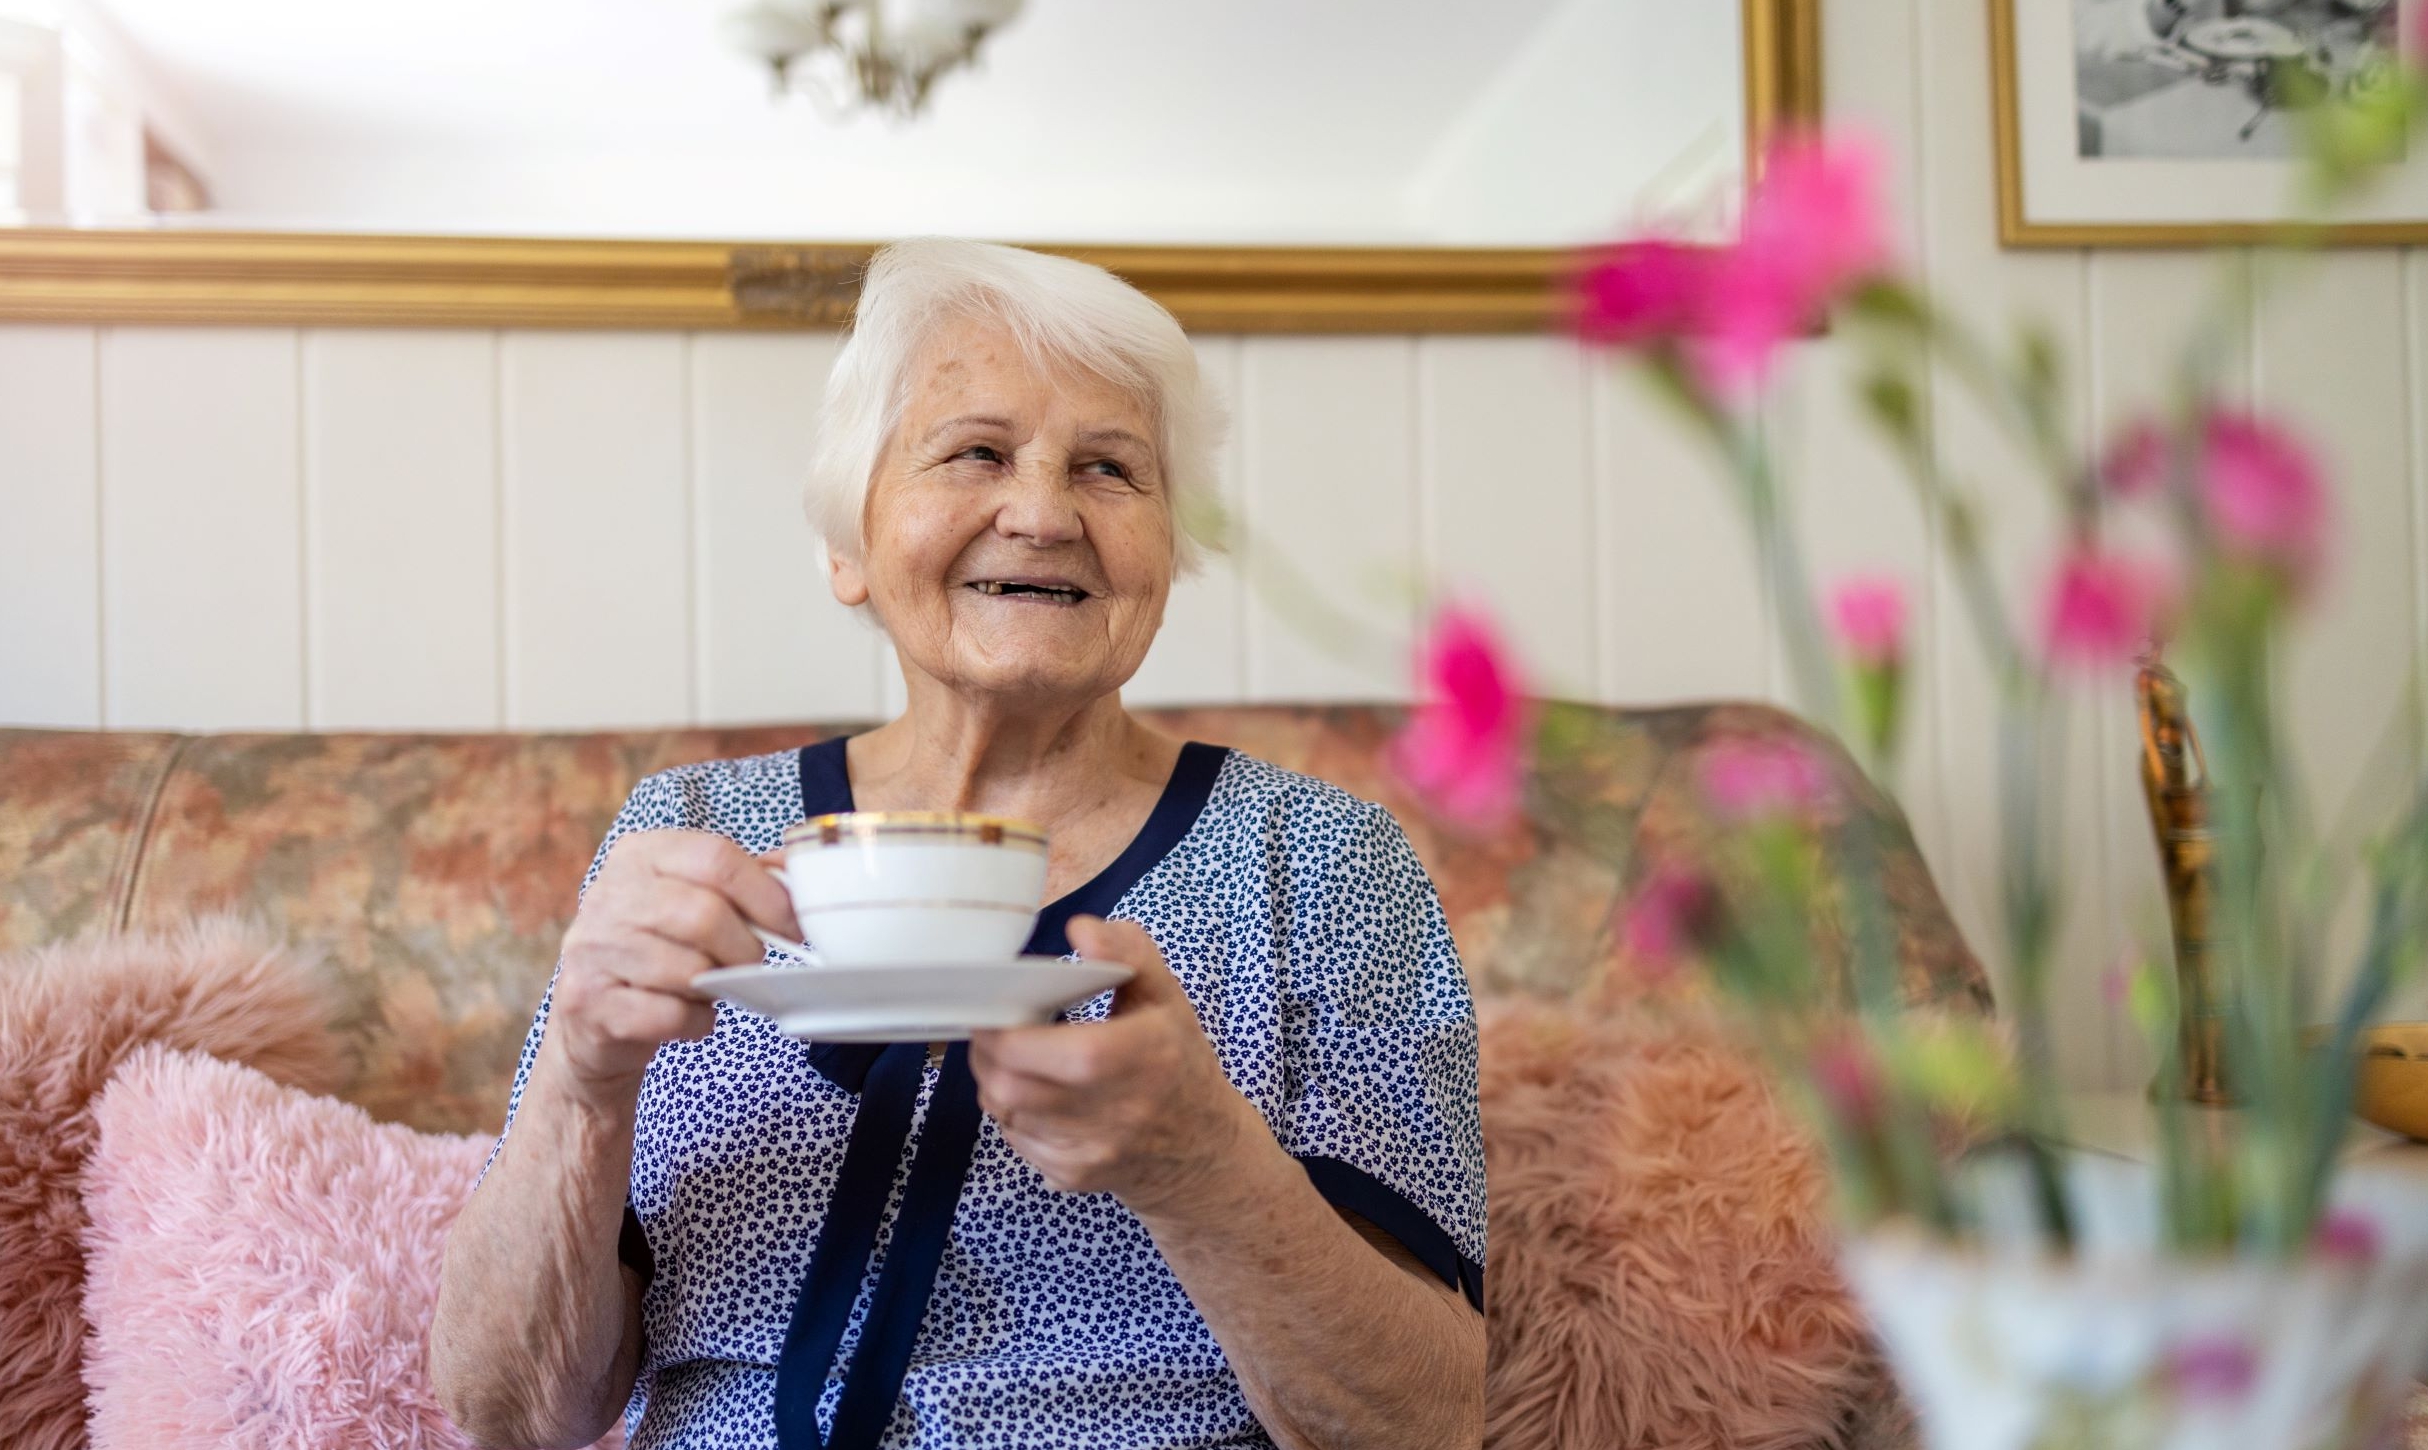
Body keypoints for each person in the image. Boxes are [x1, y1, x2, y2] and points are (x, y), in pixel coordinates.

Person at [429, 238, 1487, 1450]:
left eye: (1109, 469)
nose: (1042, 513)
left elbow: (1429, 1422)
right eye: (977, 451)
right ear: (848, 545)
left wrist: (1204, 1168)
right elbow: (509, 1412)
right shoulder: (688, 835)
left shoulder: (1320, 865)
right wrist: (581, 1078)